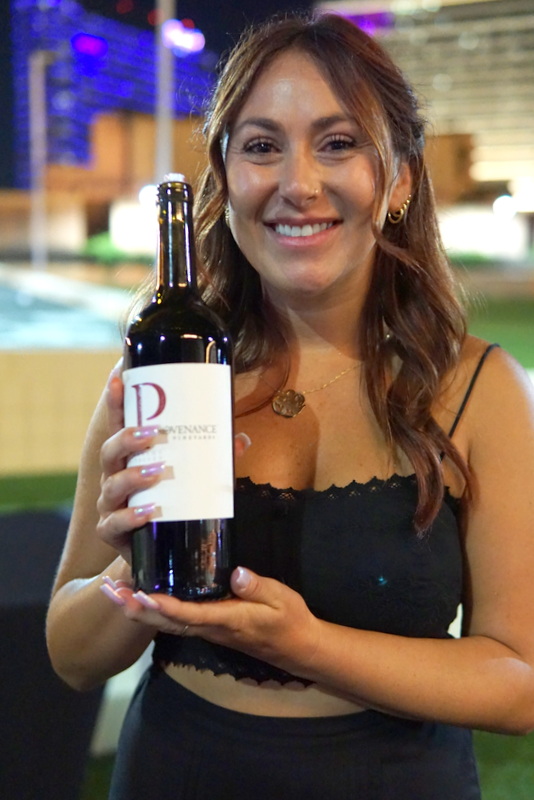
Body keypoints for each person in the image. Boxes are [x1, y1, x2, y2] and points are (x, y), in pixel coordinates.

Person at [46, 12, 534, 800]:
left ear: (399, 179)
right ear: (225, 177)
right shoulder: (168, 375)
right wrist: (134, 560)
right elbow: (72, 657)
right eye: (261, 146)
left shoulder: (479, 389)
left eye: (337, 143)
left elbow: (518, 683)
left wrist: (305, 644)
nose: (297, 183)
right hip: (174, 770)